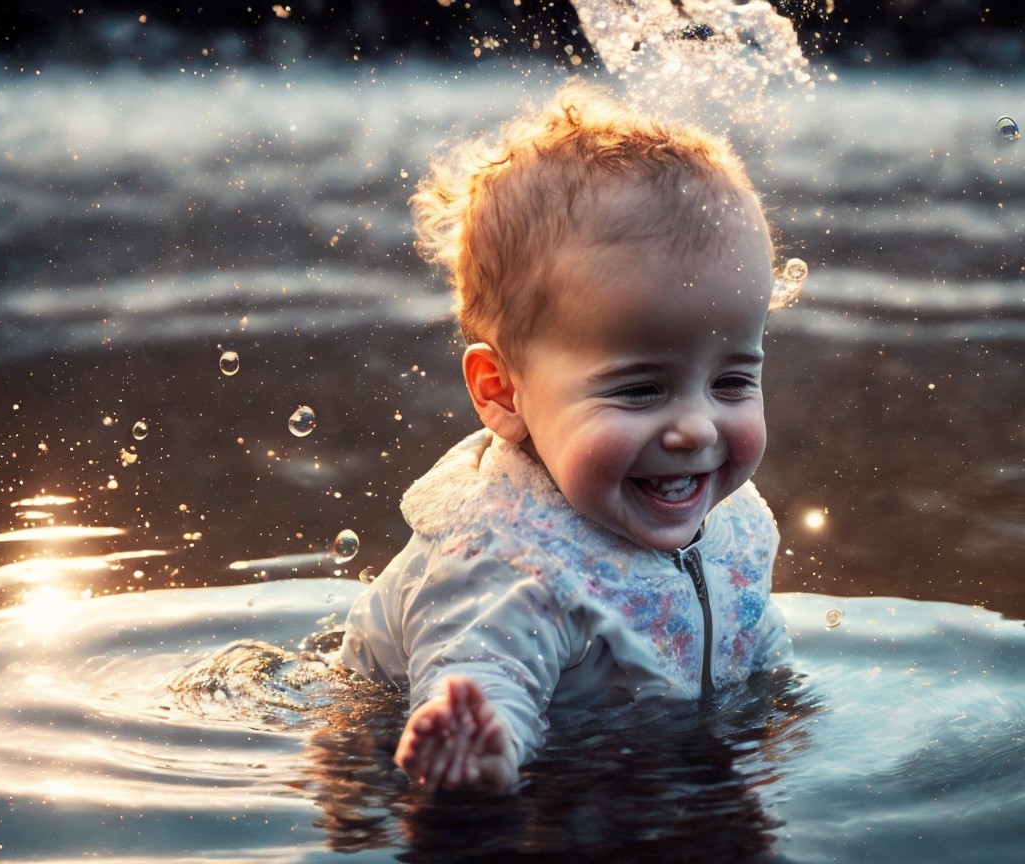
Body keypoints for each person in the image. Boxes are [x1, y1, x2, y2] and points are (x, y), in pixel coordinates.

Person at [339, 79, 793, 794]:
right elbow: (484, 673)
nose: (698, 426)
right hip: (492, 771)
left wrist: (784, 698)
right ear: (503, 392)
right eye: (640, 390)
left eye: (731, 382)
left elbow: (744, 621)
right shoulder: (503, 562)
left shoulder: (722, 515)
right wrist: (479, 745)